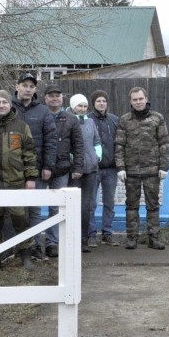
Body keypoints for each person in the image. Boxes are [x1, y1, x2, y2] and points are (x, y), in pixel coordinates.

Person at [0, 90, 37, 272]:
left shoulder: (21, 126)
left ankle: (26, 256)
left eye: (4, 102)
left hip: (16, 183)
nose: (1, 105)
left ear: (10, 105)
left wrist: (30, 178)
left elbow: (29, 154)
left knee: (21, 220)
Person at [115, 87, 169, 250]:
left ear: (146, 99)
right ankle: (132, 238)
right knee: (131, 206)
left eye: (140, 98)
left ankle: (154, 238)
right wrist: (120, 167)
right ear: (130, 101)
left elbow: (164, 143)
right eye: (135, 99)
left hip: (152, 170)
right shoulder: (124, 120)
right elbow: (119, 145)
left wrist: (164, 166)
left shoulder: (157, 118)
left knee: (153, 205)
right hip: (130, 171)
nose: (138, 102)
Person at [12, 73, 56, 260]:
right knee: (14, 211)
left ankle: (36, 247)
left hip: (35, 169)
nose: (28, 89)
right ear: (17, 86)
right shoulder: (8, 107)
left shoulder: (43, 111)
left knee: (34, 211)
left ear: (35, 90)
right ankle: (15, 249)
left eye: (31, 86)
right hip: (12, 170)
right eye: (24, 85)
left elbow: (51, 140)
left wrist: (47, 166)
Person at [38, 83, 85, 258]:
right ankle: (34, 244)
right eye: (51, 95)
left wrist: (78, 167)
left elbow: (78, 146)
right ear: (45, 98)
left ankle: (52, 243)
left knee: (57, 209)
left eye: (57, 95)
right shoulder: (40, 116)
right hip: (40, 169)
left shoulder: (71, 119)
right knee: (34, 208)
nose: (55, 98)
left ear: (62, 98)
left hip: (62, 169)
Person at [87, 89, 121, 247]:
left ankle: (107, 233)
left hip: (111, 169)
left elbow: (120, 143)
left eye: (104, 101)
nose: (101, 103)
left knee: (109, 202)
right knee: (91, 203)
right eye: (98, 101)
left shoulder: (114, 120)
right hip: (93, 169)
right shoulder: (87, 120)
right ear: (93, 103)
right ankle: (91, 234)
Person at [70, 94, 102, 252]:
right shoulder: (69, 120)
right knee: (74, 206)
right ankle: (72, 239)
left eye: (84, 106)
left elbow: (96, 140)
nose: (82, 109)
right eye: (79, 106)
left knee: (87, 205)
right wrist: (73, 162)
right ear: (73, 106)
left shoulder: (90, 122)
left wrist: (97, 155)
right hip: (75, 170)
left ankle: (84, 239)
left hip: (91, 169)